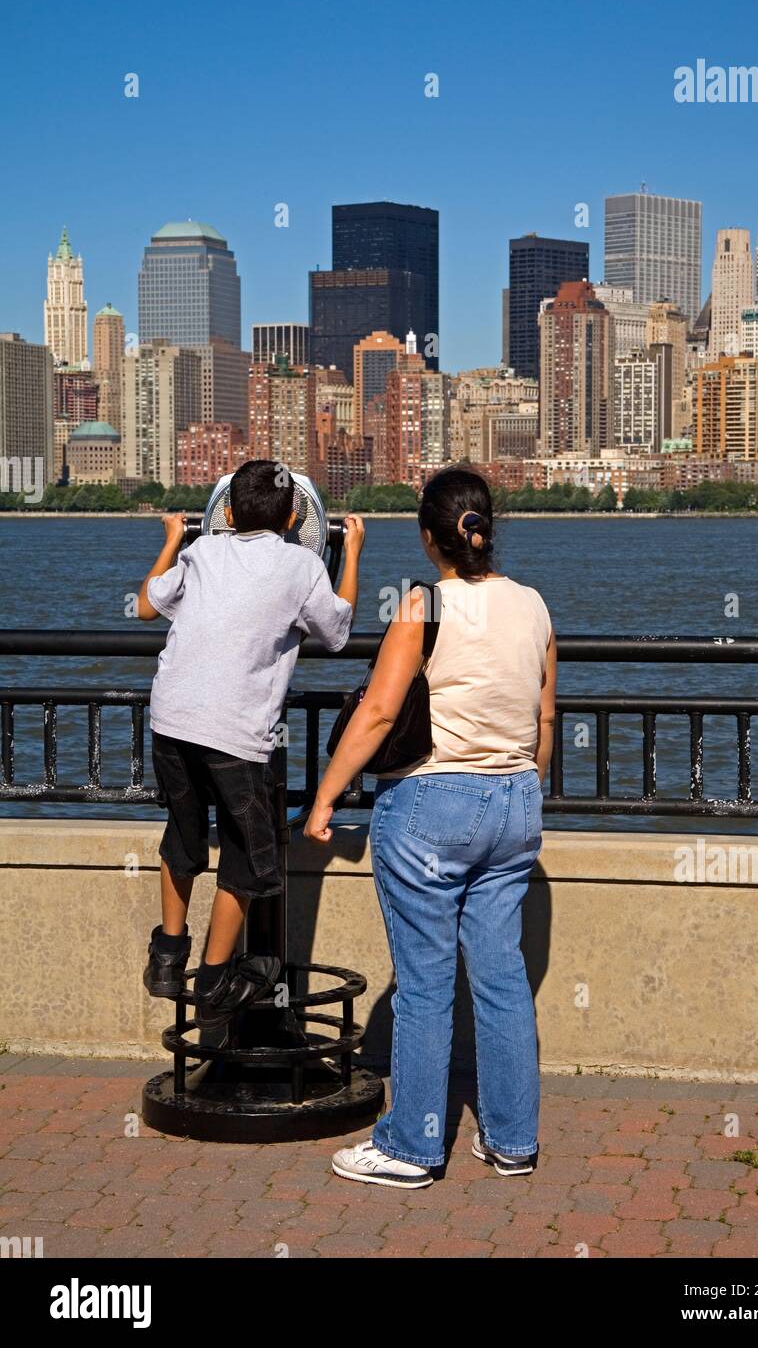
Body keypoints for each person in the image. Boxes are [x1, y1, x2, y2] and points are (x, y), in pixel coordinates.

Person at [305, 466, 556, 1188]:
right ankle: (512, 1141)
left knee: (423, 982)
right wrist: (525, 788)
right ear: (486, 530)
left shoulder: (424, 606)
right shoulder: (534, 605)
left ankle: (412, 1148)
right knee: (503, 976)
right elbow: (544, 720)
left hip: (433, 806)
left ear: (429, 537)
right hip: (514, 802)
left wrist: (324, 799)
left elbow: (378, 713)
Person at [137, 459, 364, 1047]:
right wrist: (354, 550)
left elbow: (146, 605)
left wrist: (172, 541)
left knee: (183, 836)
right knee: (244, 857)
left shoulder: (201, 554)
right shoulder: (301, 564)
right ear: (296, 517)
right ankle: (214, 983)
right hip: (237, 735)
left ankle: (167, 954)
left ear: (226, 514)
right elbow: (336, 632)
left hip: (170, 720)